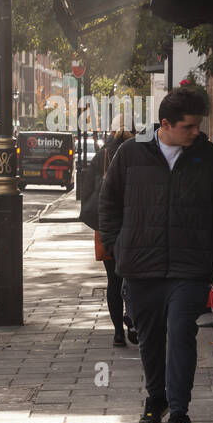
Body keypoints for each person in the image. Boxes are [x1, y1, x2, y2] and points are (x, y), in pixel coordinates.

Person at [97, 87, 213, 423]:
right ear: (166, 125)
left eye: (197, 126)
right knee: (149, 338)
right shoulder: (131, 154)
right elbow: (108, 202)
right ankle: (155, 398)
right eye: (189, 127)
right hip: (141, 265)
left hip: (191, 267)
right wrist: (118, 247)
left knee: (180, 334)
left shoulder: (207, 157)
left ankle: (179, 412)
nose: (196, 133)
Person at [80, 120, 137, 347]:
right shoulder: (138, 154)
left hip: (108, 229)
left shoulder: (102, 156)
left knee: (114, 281)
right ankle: (133, 321)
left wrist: (99, 224)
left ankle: (117, 333)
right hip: (134, 227)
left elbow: (87, 193)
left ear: (112, 131)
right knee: (135, 278)